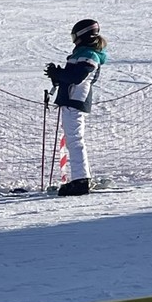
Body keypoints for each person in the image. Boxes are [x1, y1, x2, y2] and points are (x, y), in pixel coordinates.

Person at [52, 18, 107, 196]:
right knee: (73, 139)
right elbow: (71, 75)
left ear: (82, 36)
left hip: (75, 99)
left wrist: (60, 74)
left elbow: (77, 77)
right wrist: (58, 75)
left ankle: (81, 181)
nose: (73, 40)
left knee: (75, 140)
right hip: (72, 98)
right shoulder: (83, 53)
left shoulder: (89, 55)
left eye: (74, 36)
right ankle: (81, 178)